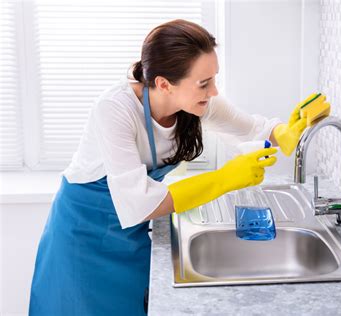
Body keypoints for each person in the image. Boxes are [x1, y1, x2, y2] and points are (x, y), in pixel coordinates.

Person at [29, 19, 323, 315]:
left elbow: (251, 128)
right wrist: (225, 179)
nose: (214, 92)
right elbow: (139, 203)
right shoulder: (115, 110)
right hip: (82, 237)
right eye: (204, 83)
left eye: (214, 79)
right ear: (164, 84)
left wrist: (285, 133)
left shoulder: (195, 103)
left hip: (129, 237)